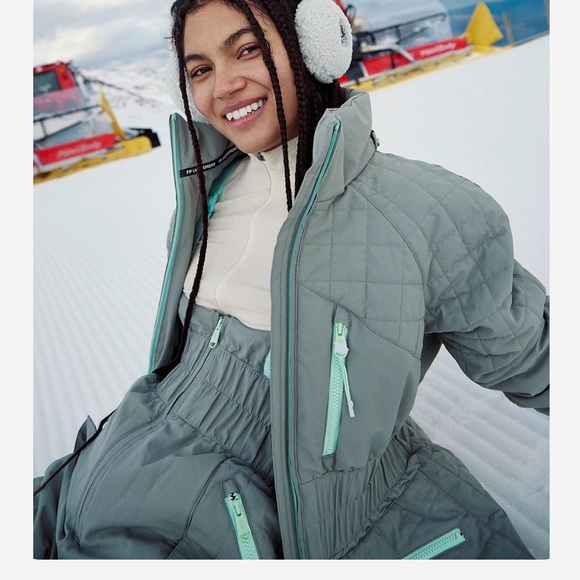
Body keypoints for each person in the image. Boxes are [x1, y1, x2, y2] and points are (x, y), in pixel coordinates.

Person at [33, 0, 549, 559]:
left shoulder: (422, 209)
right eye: (200, 69)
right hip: (101, 464)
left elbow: (534, 357)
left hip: (236, 515)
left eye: (247, 49)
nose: (223, 86)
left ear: (314, 45)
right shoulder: (209, 192)